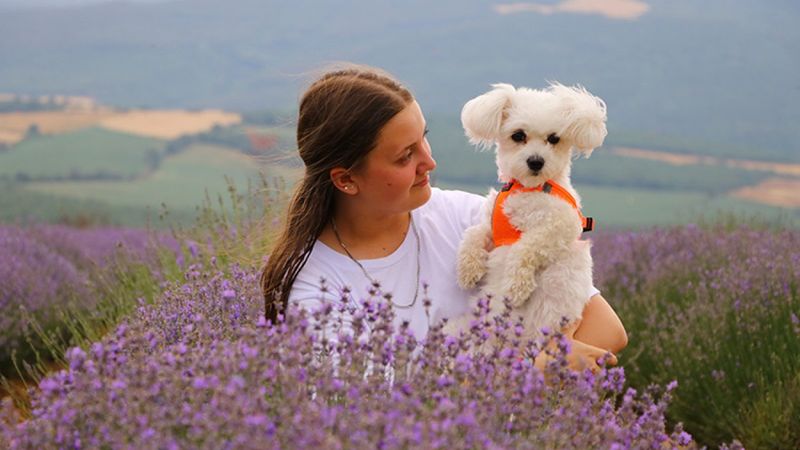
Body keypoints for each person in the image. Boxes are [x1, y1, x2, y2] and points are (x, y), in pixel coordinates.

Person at [261, 64, 627, 372]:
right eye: (405, 156)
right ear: (346, 179)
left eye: (424, 138)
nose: (430, 162)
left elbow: (607, 329)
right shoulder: (315, 289)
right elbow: (378, 412)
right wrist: (535, 371)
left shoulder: (465, 216)